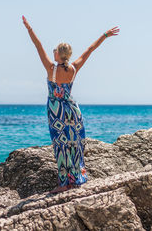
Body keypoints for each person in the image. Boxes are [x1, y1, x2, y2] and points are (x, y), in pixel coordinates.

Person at [22, 15, 119, 194]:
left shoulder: (51, 69)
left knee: (61, 147)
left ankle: (64, 183)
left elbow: (37, 45)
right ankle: (76, 179)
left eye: (55, 51)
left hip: (56, 111)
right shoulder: (74, 68)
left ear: (58, 54)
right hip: (73, 110)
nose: (53, 52)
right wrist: (105, 35)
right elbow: (90, 49)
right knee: (75, 145)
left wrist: (29, 28)